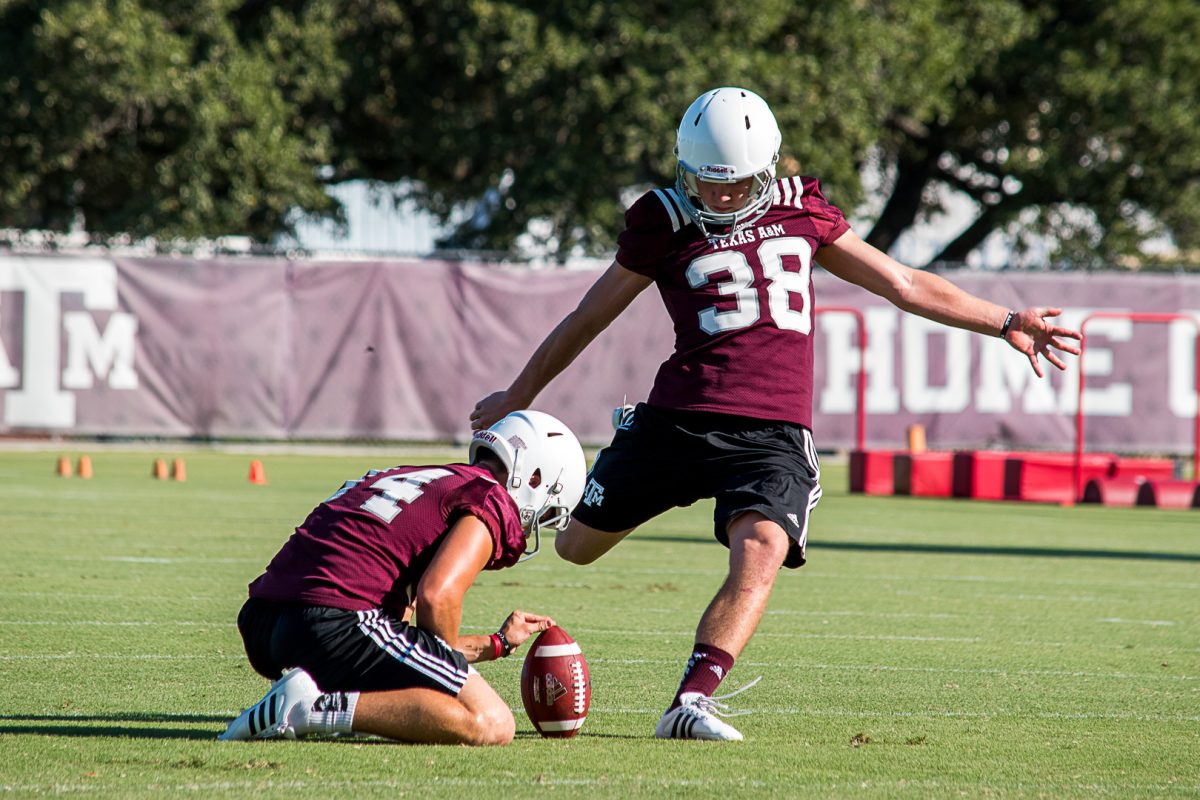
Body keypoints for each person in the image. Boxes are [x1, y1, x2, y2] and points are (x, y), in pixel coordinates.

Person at [470, 87, 1082, 741]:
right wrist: (518, 395)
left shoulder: (804, 209)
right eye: (711, 182)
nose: (724, 197)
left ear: (767, 167)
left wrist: (1006, 320)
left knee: (763, 546)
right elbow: (588, 316)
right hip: (677, 418)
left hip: (773, 431)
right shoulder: (663, 220)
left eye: (736, 183)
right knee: (574, 547)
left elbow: (902, 282)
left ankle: (690, 703)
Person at [219, 410, 586, 745]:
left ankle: (309, 698)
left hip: (267, 621)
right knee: (491, 721)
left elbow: (399, 637)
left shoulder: (417, 477)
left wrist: (497, 643)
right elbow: (437, 596)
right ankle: (307, 709)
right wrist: (445, 683)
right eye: (549, 510)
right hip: (334, 620)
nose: (536, 521)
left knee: (402, 662)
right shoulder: (489, 496)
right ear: (534, 477)